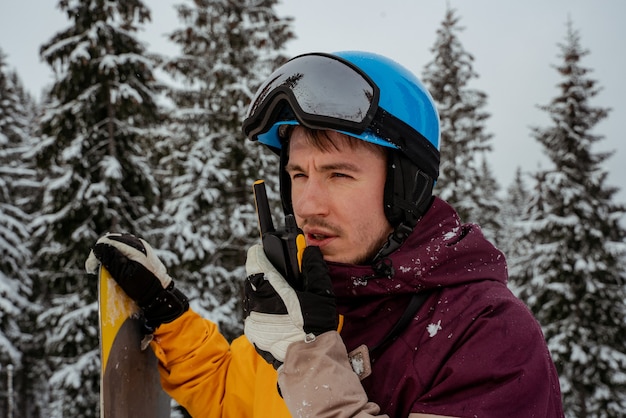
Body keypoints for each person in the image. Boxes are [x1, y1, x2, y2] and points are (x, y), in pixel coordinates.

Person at [86, 51, 564, 417]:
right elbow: (231, 393)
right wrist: (170, 315)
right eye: (298, 175)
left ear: (405, 187)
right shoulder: (312, 300)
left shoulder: (489, 335)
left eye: (338, 175)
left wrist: (308, 361)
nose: (308, 204)